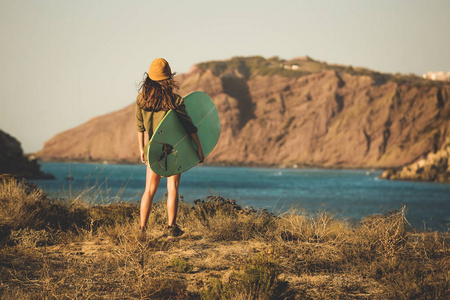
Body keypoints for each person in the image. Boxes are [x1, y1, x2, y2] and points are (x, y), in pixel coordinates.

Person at [135, 58, 204, 237]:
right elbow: (189, 127)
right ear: (168, 78)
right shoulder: (174, 101)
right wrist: (199, 148)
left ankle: (142, 229)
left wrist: (142, 148)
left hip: (153, 148)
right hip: (173, 149)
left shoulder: (142, 99)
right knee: (172, 187)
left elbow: (140, 126)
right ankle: (171, 227)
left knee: (149, 190)